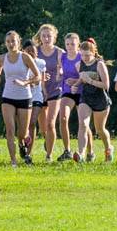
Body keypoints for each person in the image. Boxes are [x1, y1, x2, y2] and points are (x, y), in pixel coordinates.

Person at [0, 31, 40, 167]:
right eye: (8, 41)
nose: (10, 44)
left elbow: (37, 76)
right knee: (10, 129)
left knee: (22, 133)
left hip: (25, 97)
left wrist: (25, 83)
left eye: (13, 41)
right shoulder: (1, 58)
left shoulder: (25, 57)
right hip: (8, 97)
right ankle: (13, 161)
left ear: (18, 42)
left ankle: (22, 146)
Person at [72, 38, 113, 163]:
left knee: (100, 129)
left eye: (88, 55)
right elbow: (81, 79)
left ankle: (108, 149)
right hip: (86, 98)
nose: (85, 58)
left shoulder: (99, 64)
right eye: (82, 55)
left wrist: (90, 81)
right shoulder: (79, 64)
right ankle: (81, 154)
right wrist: (75, 85)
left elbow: (106, 86)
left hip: (100, 99)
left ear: (94, 52)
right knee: (83, 124)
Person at [34, 25, 66, 161]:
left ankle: (49, 156)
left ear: (54, 37)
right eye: (44, 36)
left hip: (55, 89)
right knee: (43, 128)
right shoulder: (35, 52)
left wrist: (61, 72)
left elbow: (67, 68)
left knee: (50, 123)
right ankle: (47, 140)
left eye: (49, 36)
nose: (46, 38)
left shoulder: (60, 52)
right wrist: (39, 77)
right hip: (40, 91)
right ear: (40, 37)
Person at [57, 32, 85, 161]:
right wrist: (59, 74)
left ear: (78, 44)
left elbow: (86, 76)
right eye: (67, 44)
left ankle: (88, 152)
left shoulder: (82, 56)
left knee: (83, 123)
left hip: (82, 91)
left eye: (73, 44)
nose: (70, 46)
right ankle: (67, 150)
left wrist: (75, 81)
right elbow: (60, 72)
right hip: (67, 91)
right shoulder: (62, 57)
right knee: (63, 118)